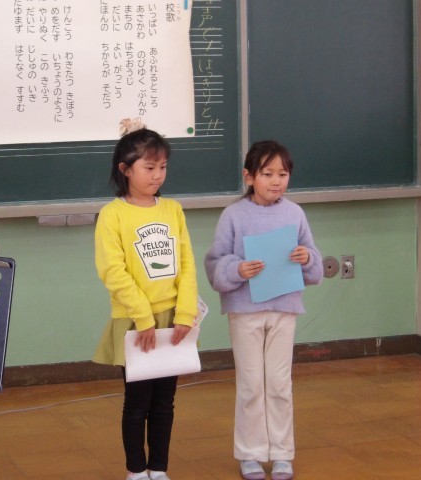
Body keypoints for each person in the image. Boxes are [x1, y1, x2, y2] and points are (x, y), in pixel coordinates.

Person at [204, 140, 323, 480]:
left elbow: (314, 265)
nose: (276, 181)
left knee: (280, 383)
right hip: (246, 311)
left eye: (282, 174)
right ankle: (250, 454)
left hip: (284, 309)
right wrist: (237, 269)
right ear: (249, 176)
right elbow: (215, 265)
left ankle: (283, 453)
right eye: (267, 173)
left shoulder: (294, 213)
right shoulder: (233, 215)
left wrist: (306, 257)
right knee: (251, 383)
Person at [92, 123, 198, 480]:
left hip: (173, 320)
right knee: (137, 402)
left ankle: (159, 468)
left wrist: (185, 313)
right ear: (125, 169)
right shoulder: (113, 214)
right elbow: (113, 271)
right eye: (149, 167)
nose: (158, 175)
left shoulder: (173, 209)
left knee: (165, 403)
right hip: (136, 322)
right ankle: (136, 470)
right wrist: (143, 317)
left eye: (163, 167)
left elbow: (187, 264)